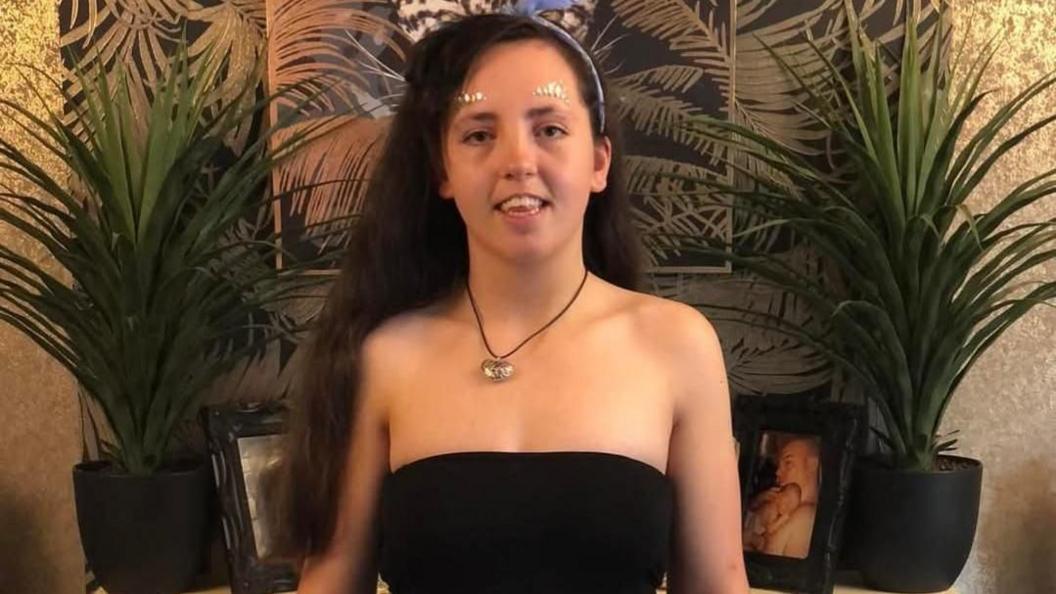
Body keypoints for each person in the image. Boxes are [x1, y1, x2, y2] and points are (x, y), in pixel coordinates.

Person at [263, 3, 749, 593]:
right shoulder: (384, 357)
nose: (518, 161)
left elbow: (718, 584)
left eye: (549, 129)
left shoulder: (677, 346)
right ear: (442, 169)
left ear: (598, 162)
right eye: (479, 135)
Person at [759, 436, 820, 559]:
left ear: (813, 464)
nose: (778, 472)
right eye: (779, 465)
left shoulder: (806, 516)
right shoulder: (787, 511)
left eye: (788, 463)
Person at [742, 482, 801, 552]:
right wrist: (781, 520)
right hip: (749, 525)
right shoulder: (773, 508)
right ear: (780, 494)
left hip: (750, 523)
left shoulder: (771, 504)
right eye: (788, 502)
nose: (788, 508)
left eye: (791, 508)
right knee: (760, 542)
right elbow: (769, 529)